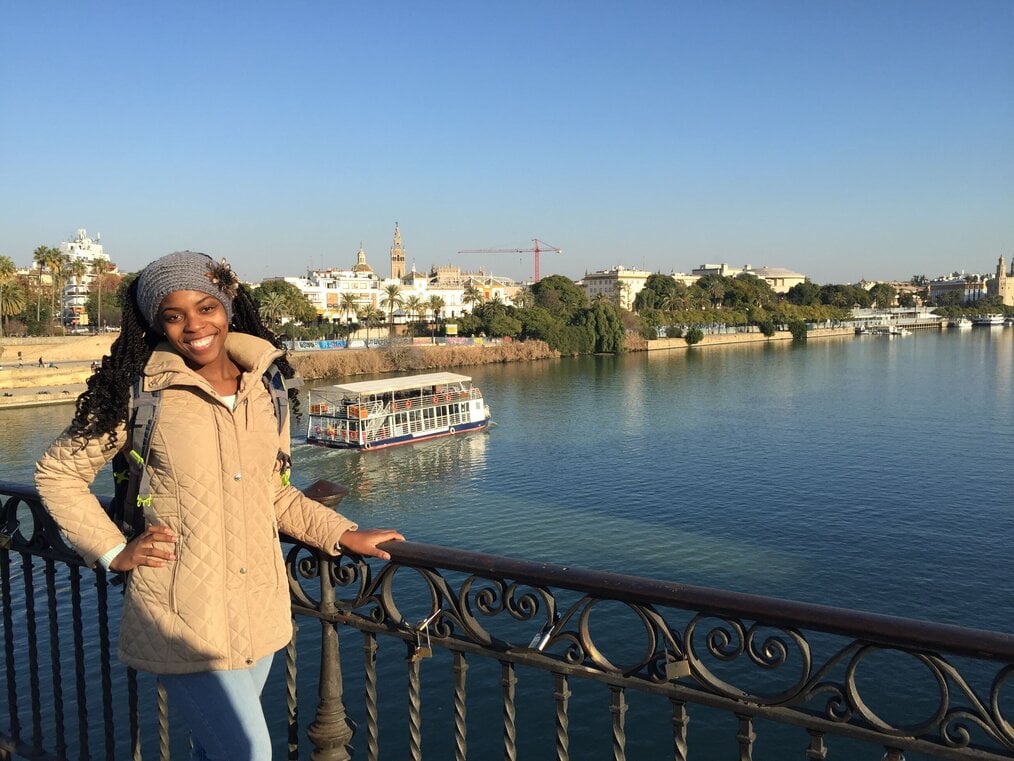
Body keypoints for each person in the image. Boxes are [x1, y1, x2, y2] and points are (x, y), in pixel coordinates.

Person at [36, 251, 403, 761]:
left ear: (229, 305)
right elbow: (58, 473)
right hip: (182, 613)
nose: (193, 326)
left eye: (206, 307)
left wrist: (342, 534)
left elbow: (273, 492)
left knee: (217, 751)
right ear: (155, 323)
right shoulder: (140, 391)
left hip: (256, 605)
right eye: (173, 315)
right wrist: (112, 550)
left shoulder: (265, 388)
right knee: (249, 751)